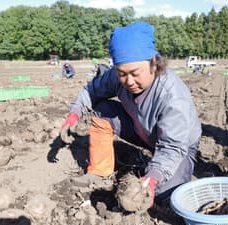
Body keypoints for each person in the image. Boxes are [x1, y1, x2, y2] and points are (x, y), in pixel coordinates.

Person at [59, 21, 202, 207]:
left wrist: (152, 179)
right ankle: (99, 170)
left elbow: (172, 147)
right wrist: (74, 115)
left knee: (165, 197)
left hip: (179, 145)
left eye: (135, 73)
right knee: (103, 108)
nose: (129, 81)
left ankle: (164, 175)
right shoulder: (118, 77)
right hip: (142, 130)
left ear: (154, 63)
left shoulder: (172, 96)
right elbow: (91, 91)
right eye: (122, 74)